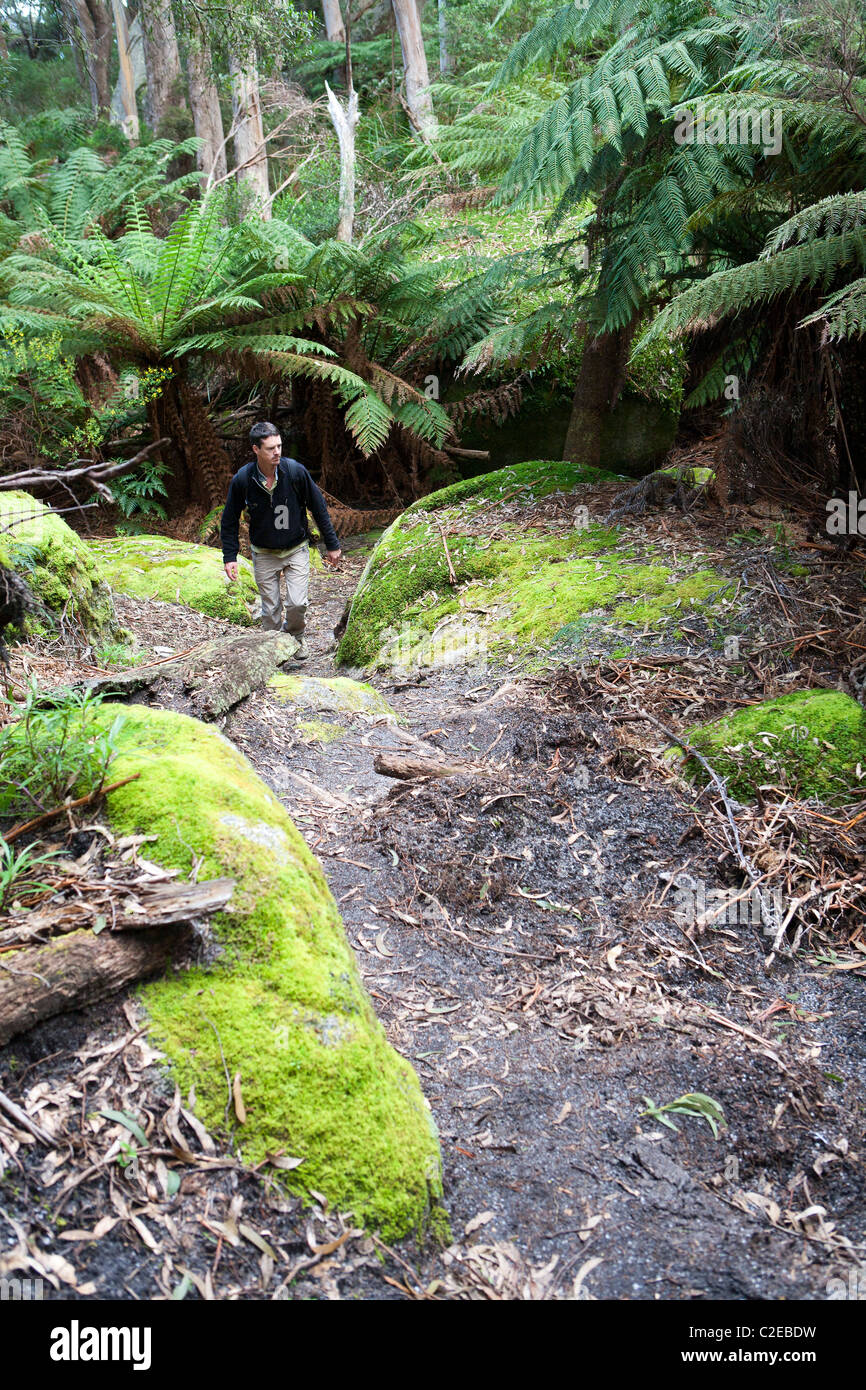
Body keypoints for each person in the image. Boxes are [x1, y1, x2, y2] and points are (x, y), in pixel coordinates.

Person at [221, 422, 342, 660]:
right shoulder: (243, 479)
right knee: (271, 610)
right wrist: (230, 556)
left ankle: (296, 640)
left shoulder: (295, 472)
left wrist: (332, 545)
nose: (277, 452)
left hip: (296, 548)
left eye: (279, 446)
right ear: (256, 449)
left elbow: (318, 508)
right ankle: (274, 650)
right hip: (264, 552)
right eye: (270, 448)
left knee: (297, 604)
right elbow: (229, 519)